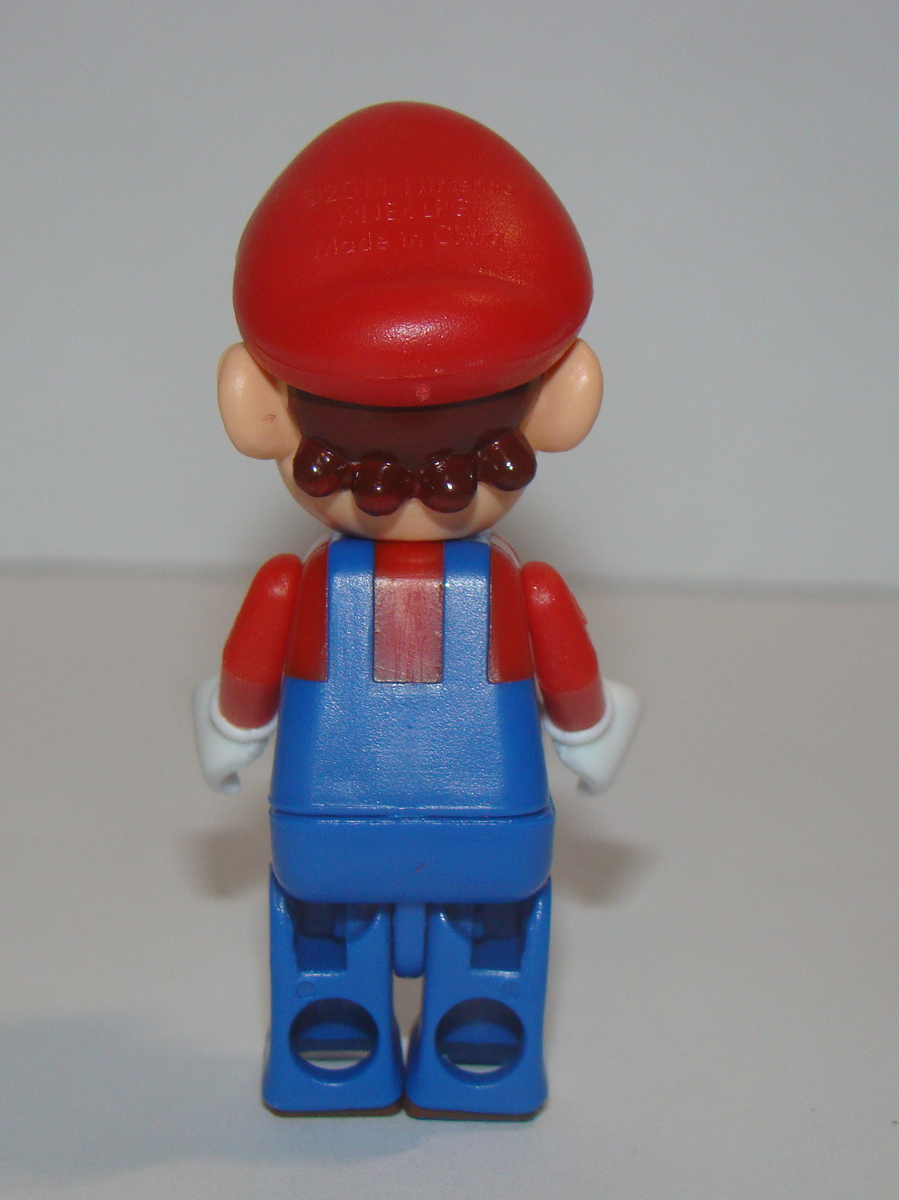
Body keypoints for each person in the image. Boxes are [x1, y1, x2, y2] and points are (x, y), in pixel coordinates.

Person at [193, 102, 640, 1119]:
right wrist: (592, 734)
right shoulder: (512, 589)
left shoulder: (307, 587)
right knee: (477, 955)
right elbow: (573, 692)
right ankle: (462, 1052)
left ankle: (347, 1052)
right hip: (484, 825)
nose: (407, 496)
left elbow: (246, 687)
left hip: (331, 823)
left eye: (470, 463)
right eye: (350, 465)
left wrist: (227, 731)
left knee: (336, 954)